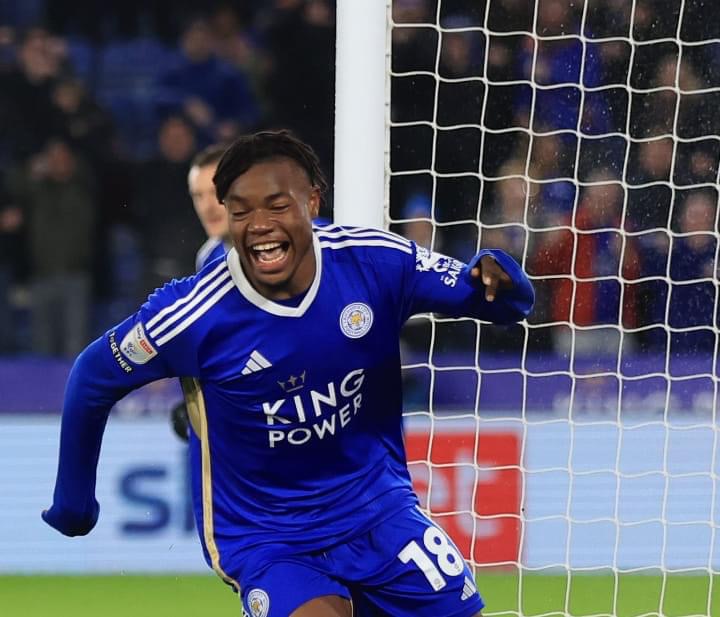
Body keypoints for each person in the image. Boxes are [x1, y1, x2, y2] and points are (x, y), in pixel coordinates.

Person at [43, 129, 534, 616]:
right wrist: (73, 501)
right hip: (269, 537)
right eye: (241, 211)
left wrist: (499, 273)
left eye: (277, 206)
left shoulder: (373, 261)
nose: (259, 225)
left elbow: (497, 300)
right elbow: (92, 377)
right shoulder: (193, 312)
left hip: (379, 513)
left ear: (312, 202)